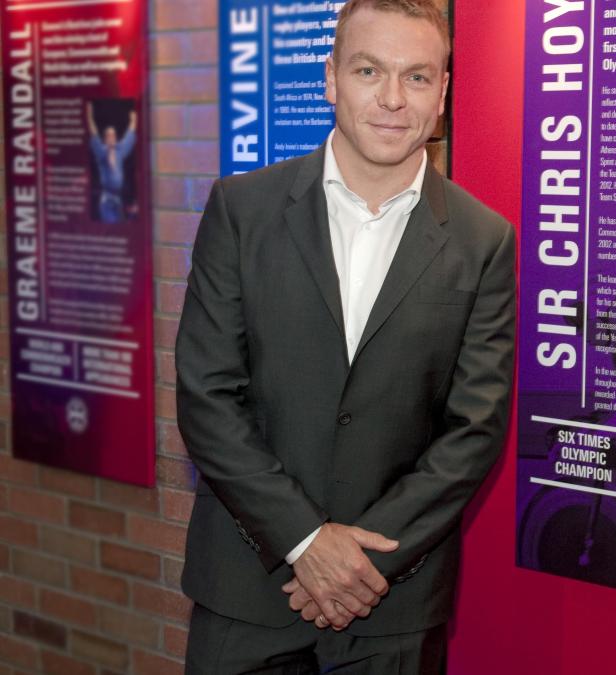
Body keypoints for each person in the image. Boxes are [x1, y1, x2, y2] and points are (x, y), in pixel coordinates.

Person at [175, 1, 515, 672]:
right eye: (369, 70)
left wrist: (354, 563)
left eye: (417, 77)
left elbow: (474, 429)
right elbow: (207, 396)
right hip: (247, 591)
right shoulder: (241, 210)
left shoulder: (484, 240)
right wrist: (304, 541)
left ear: (443, 92)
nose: (392, 99)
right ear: (330, 78)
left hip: (392, 602)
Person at [87, 101, 136, 223]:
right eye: (109, 135)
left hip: (119, 200)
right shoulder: (101, 151)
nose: (112, 137)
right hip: (107, 201)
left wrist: (134, 118)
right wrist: (89, 116)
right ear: (105, 139)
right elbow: (94, 133)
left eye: (113, 135)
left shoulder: (120, 150)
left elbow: (130, 133)